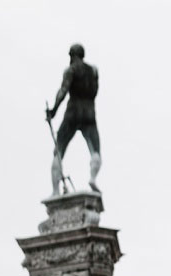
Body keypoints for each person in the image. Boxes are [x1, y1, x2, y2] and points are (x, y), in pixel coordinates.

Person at [46, 43, 101, 194]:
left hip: (73, 112)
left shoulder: (71, 70)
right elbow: (95, 92)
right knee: (95, 150)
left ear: (72, 56)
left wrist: (54, 110)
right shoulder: (94, 71)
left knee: (59, 150)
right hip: (89, 113)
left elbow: (63, 91)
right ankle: (93, 178)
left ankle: (55, 191)